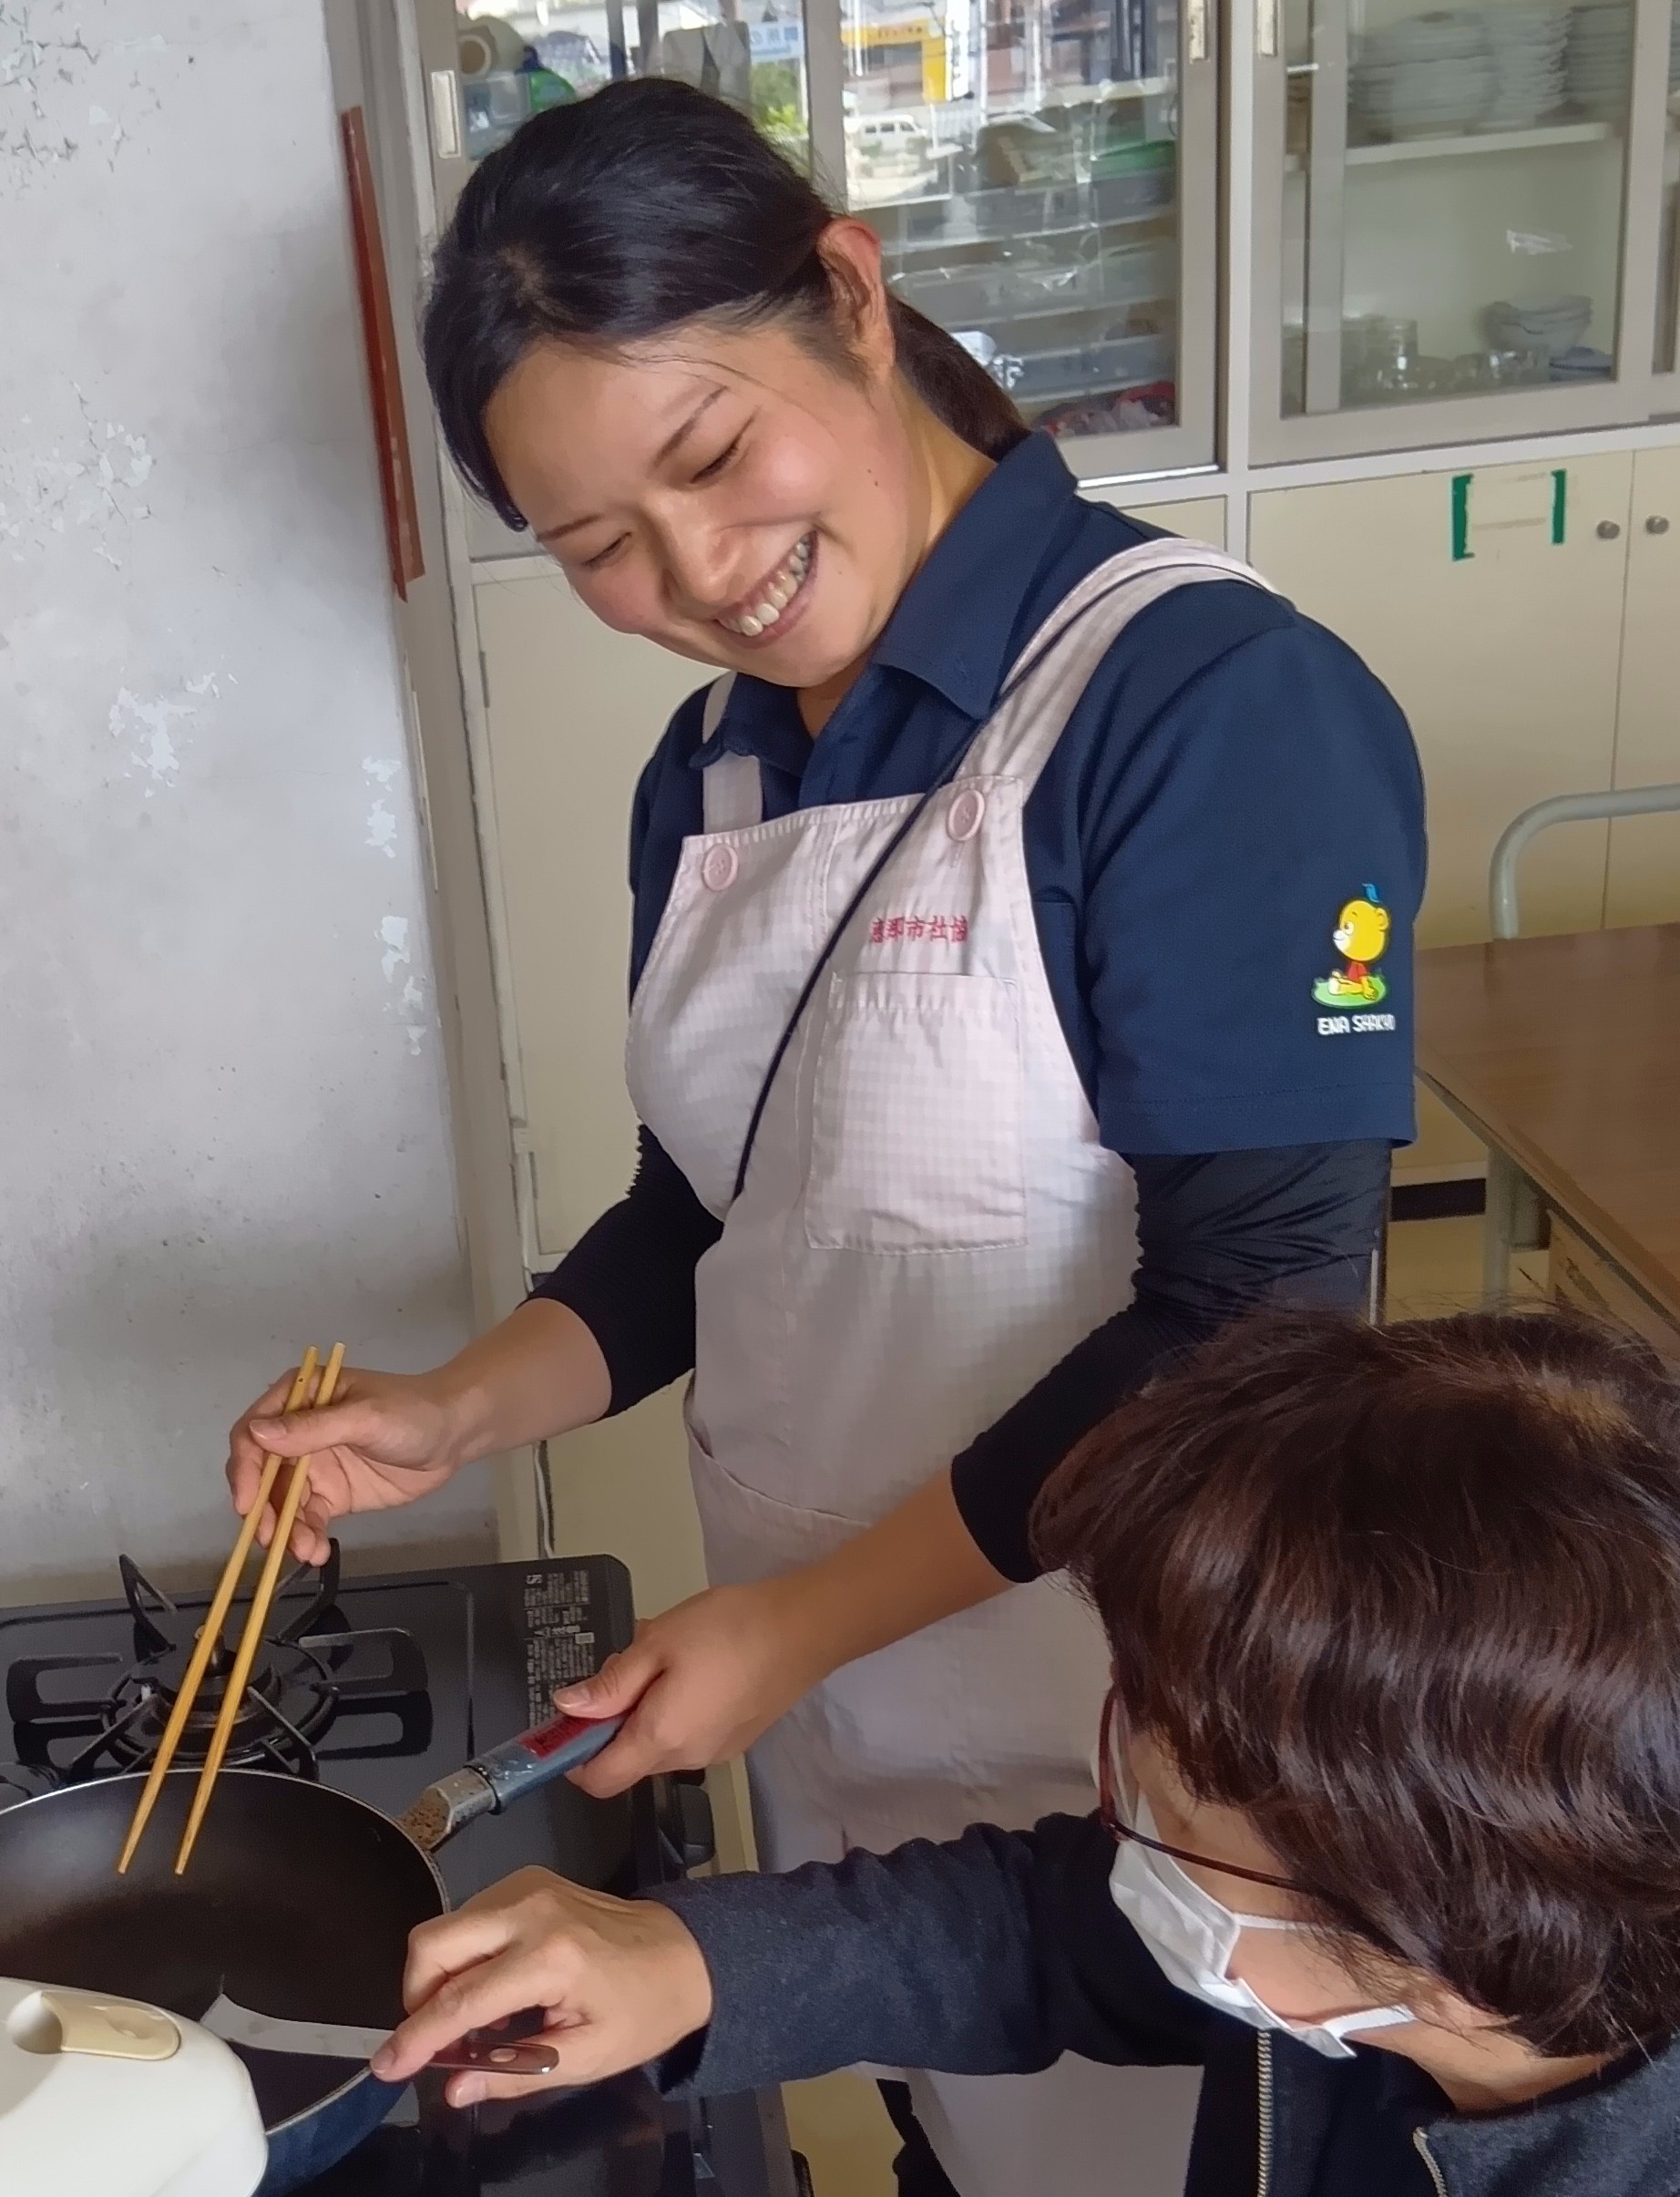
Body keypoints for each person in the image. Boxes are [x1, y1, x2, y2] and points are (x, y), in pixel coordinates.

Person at [226, 77, 1423, 2197]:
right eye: (597, 546)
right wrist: (454, 1409)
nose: (698, 573)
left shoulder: (1198, 704)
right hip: (835, 1700)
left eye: (709, 458)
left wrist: (800, 1621)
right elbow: (713, 1212)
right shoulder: (705, 773)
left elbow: (1255, 1320)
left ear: (851, 301)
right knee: (933, 2131)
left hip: (1138, 1736)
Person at [371, 1309, 1680, 2197]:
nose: (1115, 1816)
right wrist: (700, 1961)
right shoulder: (1438, 1963)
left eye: (1166, 1817)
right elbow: (1062, 1932)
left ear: (1431, 1922)